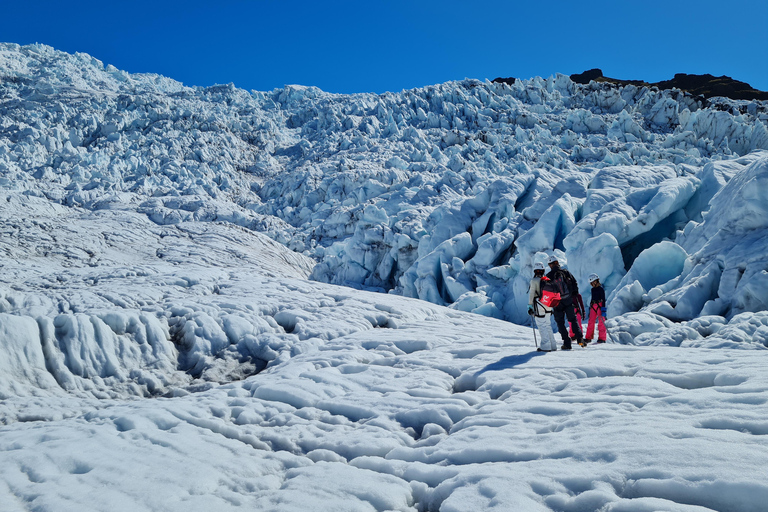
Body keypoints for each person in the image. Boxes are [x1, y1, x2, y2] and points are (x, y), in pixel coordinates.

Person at [546, 255, 583, 350]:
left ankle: (567, 343)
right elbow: (574, 284)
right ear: (557, 263)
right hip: (568, 299)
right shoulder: (565, 272)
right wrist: (573, 296)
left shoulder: (549, 276)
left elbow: (546, 291)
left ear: (551, 265)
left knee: (560, 323)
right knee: (573, 319)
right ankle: (580, 339)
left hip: (557, 302)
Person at [528, 262, 558, 352]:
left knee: (541, 325)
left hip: (539, 305)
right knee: (548, 325)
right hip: (548, 305)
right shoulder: (547, 279)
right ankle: (553, 345)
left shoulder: (534, 281)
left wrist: (529, 306)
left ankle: (545, 346)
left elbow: (532, 294)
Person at [585, 273, 607, 343]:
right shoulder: (592, 290)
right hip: (593, 306)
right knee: (591, 321)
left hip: (600, 305)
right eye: (591, 283)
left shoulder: (601, 289)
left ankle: (602, 338)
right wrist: (590, 306)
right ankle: (588, 337)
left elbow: (603, 299)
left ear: (596, 281)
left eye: (592, 283)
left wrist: (603, 309)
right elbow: (592, 298)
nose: (591, 284)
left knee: (601, 321)